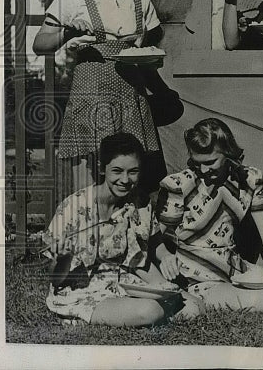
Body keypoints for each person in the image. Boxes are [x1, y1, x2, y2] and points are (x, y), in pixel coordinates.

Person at [33, 0, 165, 192]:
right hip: (91, 95)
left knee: (130, 177)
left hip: (131, 95)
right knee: (93, 179)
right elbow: (40, 43)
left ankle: (126, 233)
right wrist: (68, 33)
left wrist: (160, 88)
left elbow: (150, 51)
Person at [154, 117, 263, 313]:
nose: (203, 170)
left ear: (228, 152)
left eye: (210, 162)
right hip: (198, 280)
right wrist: (164, 256)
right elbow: (153, 236)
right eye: (197, 163)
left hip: (238, 271)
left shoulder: (250, 179)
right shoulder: (180, 185)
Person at [41, 133, 187, 326]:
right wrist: (64, 258)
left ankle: (130, 311)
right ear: (102, 168)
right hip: (83, 290)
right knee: (150, 310)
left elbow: (155, 242)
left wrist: (166, 256)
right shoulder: (73, 208)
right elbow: (55, 278)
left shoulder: (139, 202)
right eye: (117, 171)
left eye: (133, 171)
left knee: (193, 306)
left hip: (125, 281)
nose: (125, 180)